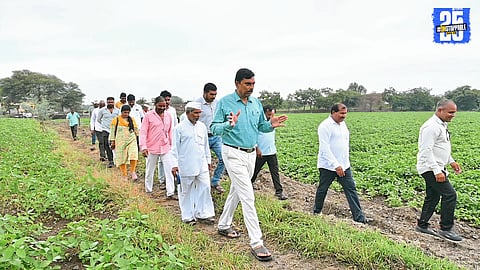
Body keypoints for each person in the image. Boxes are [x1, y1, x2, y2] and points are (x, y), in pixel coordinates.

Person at [211, 68, 288, 262]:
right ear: (237, 83)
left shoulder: (256, 103)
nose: (251, 87)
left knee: (236, 191)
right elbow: (213, 128)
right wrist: (229, 125)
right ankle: (256, 242)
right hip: (233, 152)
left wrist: (271, 124)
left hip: (251, 153)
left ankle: (223, 224)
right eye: (247, 84)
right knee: (247, 195)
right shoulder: (225, 102)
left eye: (253, 84)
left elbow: (261, 125)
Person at [313, 103, 371, 224]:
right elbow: (324, 148)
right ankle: (316, 212)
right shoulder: (325, 126)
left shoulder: (343, 124)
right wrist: (336, 165)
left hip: (344, 165)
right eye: (341, 113)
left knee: (351, 190)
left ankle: (359, 218)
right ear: (333, 112)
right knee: (323, 189)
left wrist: (344, 163)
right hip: (328, 166)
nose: (344, 116)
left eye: (345, 113)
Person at [415, 99, 463, 242]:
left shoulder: (441, 125)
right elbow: (426, 151)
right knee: (450, 195)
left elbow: (440, 148)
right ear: (440, 110)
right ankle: (446, 229)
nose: (453, 115)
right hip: (430, 168)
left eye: (454, 112)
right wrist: (437, 171)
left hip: (435, 166)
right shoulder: (431, 127)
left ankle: (422, 225)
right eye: (451, 112)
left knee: (433, 196)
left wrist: (451, 161)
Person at [171, 102, 215, 225]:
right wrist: (174, 164)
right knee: (186, 190)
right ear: (188, 113)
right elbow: (174, 148)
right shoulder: (179, 128)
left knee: (205, 186)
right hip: (185, 164)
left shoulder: (202, 127)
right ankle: (188, 216)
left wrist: (208, 160)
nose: (198, 115)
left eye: (199, 113)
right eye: (195, 113)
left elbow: (206, 146)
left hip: (201, 163)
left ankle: (203, 213)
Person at [140, 96, 176, 199]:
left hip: (165, 147)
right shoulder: (148, 116)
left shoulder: (169, 116)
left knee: (169, 170)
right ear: (155, 105)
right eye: (160, 106)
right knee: (150, 170)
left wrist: (171, 146)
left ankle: (170, 192)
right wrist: (143, 147)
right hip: (151, 147)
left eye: (164, 106)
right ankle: (148, 190)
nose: (162, 108)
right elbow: (143, 132)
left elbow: (170, 131)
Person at [250, 105, 287, 200]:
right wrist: (257, 148)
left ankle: (279, 192)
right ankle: (248, 186)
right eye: (269, 115)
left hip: (271, 151)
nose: (271, 117)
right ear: (264, 113)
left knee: (275, 172)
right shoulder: (258, 122)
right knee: (254, 171)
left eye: (272, 115)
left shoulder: (273, 122)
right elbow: (253, 136)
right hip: (260, 152)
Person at [195, 83, 226, 193]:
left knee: (224, 158)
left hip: (216, 137)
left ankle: (215, 181)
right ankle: (201, 183)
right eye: (211, 94)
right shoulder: (197, 104)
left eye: (215, 94)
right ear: (205, 93)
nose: (213, 97)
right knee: (201, 161)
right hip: (203, 138)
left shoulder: (217, 103)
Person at [109, 105, 139, 180]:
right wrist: (113, 141)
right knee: (122, 158)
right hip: (120, 141)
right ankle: (124, 174)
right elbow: (112, 132)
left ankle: (133, 171)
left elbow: (136, 130)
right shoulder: (116, 120)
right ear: (121, 112)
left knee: (133, 154)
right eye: (125, 112)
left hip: (131, 140)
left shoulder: (132, 119)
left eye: (128, 112)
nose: (126, 114)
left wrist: (139, 139)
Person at [158, 90, 178, 189]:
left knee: (172, 158)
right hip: (160, 139)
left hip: (172, 137)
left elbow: (175, 124)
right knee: (161, 161)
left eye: (169, 100)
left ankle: (172, 180)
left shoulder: (172, 110)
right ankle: (162, 180)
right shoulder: (157, 112)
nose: (167, 102)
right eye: (165, 100)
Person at [97, 97, 120, 168]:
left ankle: (117, 160)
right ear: (107, 102)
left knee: (116, 145)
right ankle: (111, 161)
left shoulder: (118, 110)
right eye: (109, 102)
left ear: (114, 102)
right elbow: (98, 119)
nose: (110, 103)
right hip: (105, 130)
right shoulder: (102, 110)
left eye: (112, 102)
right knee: (107, 145)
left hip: (115, 130)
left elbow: (120, 119)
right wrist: (104, 125)